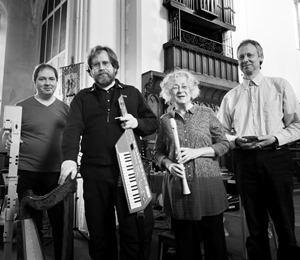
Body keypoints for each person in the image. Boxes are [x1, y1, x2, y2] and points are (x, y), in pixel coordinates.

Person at [58, 45, 158, 260]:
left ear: (115, 67)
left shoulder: (132, 93)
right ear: (90, 71)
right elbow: (72, 128)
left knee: (133, 228)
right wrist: (69, 159)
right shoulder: (82, 98)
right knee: (99, 230)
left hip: (128, 170)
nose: (101, 68)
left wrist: (136, 122)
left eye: (105, 63)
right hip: (95, 172)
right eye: (96, 65)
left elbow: (153, 123)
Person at [217, 39, 300, 260]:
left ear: (260, 57)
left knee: (284, 222)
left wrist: (274, 137)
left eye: (250, 55)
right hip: (245, 160)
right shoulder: (231, 96)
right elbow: (219, 132)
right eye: (241, 57)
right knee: (255, 225)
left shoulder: (280, 85)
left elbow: (297, 125)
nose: (245, 60)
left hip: (276, 156)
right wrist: (235, 141)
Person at [154, 69, 230, 260]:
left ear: (192, 89)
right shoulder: (164, 120)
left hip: (208, 186)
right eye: (175, 87)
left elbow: (224, 143)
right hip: (179, 189)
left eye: (184, 86)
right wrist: (169, 164)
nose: (180, 90)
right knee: (186, 248)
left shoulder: (206, 113)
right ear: (169, 93)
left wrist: (197, 152)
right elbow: (158, 153)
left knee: (215, 245)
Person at [2, 63, 69, 260]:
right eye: (42, 79)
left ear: (57, 82)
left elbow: (74, 137)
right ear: (35, 82)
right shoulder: (20, 107)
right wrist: (7, 137)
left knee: (60, 225)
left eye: (51, 79)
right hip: (27, 172)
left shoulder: (66, 109)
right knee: (30, 224)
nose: (47, 83)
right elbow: (5, 133)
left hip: (57, 175)